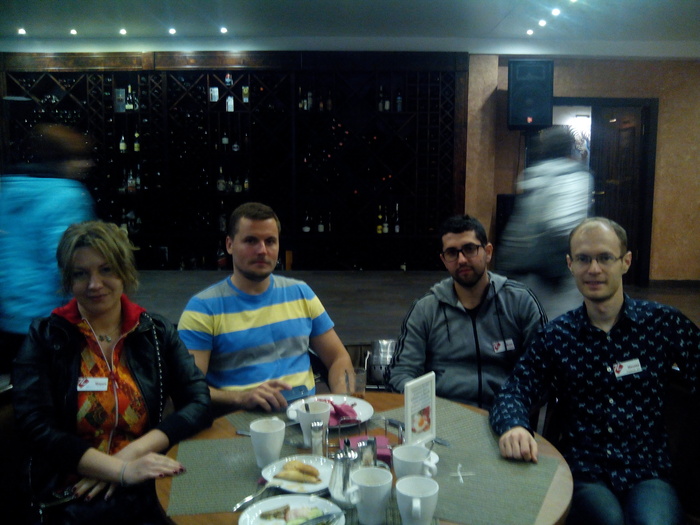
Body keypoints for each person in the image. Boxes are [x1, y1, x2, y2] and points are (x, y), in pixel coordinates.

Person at [490, 217, 699, 525]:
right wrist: (513, 426)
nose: (594, 269)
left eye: (605, 258)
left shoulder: (662, 324)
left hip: (648, 472)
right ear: (570, 264)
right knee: (606, 520)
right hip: (584, 472)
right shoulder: (557, 336)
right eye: (583, 259)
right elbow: (515, 390)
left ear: (626, 262)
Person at [12, 221, 212, 524]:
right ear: (68, 279)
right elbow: (35, 426)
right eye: (81, 274)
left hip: (147, 476)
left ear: (124, 271)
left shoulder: (155, 332)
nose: (94, 284)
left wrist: (128, 459)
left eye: (106, 269)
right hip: (74, 493)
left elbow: (199, 401)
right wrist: (117, 471)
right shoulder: (46, 337)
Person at [178, 202, 355, 414]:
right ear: (229, 245)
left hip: (305, 419)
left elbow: (338, 358)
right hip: (239, 422)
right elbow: (187, 389)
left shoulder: (301, 294)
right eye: (251, 241)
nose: (262, 250)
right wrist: (241, 398)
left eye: (270, 241)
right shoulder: (203, 309)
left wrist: (343, 405)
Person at [386, 214, 547, 409]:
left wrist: (512, 410)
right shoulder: (425, 310)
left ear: (488, 252)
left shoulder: (520, 302)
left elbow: (543, 371)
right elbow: (400, 374)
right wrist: (429, 408)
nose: (461, 260)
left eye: (470, 249)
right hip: (441, 415)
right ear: (444, 260)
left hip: (506, 414)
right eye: (452, 253)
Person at [0, 123, 96, 374]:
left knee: (22, 387)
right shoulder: (67, 195)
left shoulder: (7, 190)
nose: (87, 164)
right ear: (61, 160)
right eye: (79, 157)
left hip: (9, 317)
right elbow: (67, 261)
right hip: (50, 318)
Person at [496, 125, 593, 320]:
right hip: (553, 274)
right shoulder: (574, 176)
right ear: (569, 148)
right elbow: (563, 227)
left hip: (520, 266)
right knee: (557, 325)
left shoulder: (532, 174)